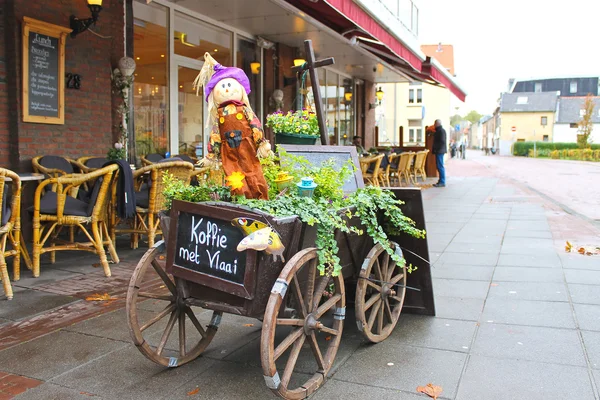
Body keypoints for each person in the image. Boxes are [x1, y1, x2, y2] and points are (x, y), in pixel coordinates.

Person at [432, 119, 447, 187]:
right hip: (440, 150)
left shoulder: (440, 131)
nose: (434, 125)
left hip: (439, 151)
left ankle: (442, 181)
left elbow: (441, 141)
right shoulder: (439, 131)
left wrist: (436, 148)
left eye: (435, 124)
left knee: (440, 166)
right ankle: (441, 180)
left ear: (437, 124)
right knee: (439, 166)